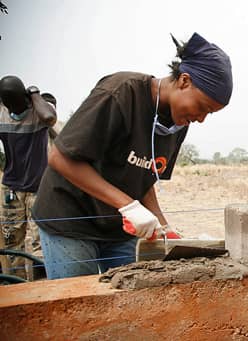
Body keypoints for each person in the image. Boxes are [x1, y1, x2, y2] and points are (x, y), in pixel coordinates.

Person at [32, 32, 233, 279]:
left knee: (129, 297)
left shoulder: (178, 122)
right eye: (202, 107)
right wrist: (127, 205)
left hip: (119, 227)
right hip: (71, 219)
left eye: (209, 114)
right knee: (79, 302)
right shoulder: (120, 93)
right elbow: (60, 158)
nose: (201, 118)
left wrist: (163, 226)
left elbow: (144, 175)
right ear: (184, 81)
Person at [0, 76, 57, 279]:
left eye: (17, 103)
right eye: (9, 105)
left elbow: (50, 118)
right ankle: (15, 283)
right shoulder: (2, 114)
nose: (14, 110)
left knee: (40, 240)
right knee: (11, 239)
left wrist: (34, 94)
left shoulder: (40, 109)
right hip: (11, 188)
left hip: (39, 186)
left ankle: (41, 286)